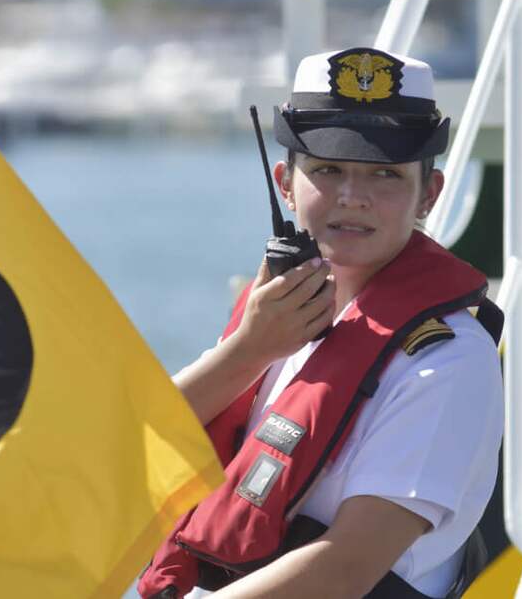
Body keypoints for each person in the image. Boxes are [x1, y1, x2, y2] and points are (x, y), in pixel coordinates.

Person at [139, 47, 503, 599]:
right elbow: (136, 446)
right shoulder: (274, 320)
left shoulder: (448, 360)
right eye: (328, 169)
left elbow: (346, 567)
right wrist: (246, 351)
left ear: (428, 195)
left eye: (385, 175)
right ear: (285, 183)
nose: (353, 197)